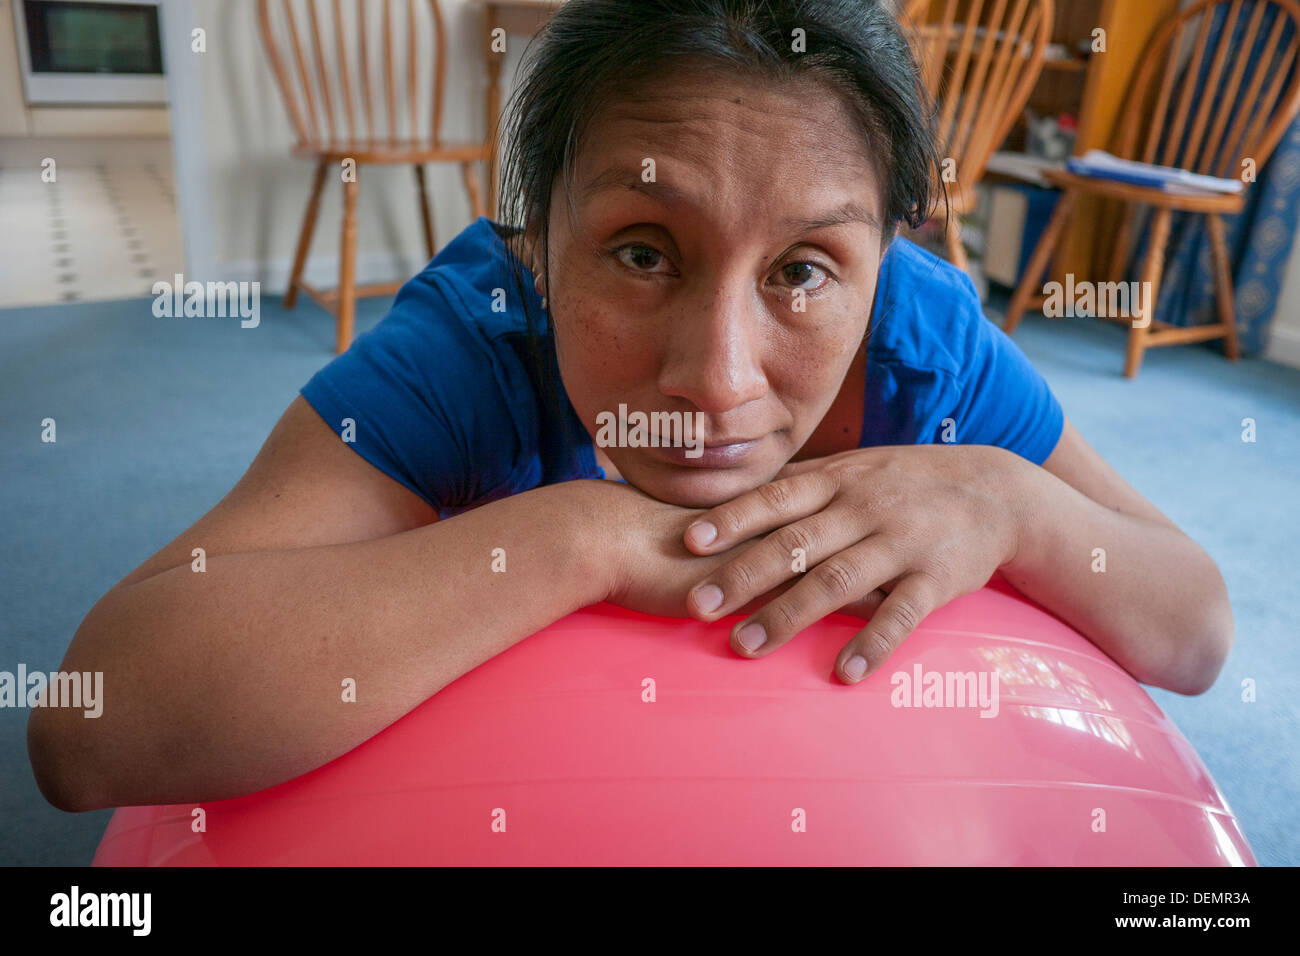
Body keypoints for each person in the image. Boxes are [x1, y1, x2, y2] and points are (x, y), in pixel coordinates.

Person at [29, 0, 1232, 813]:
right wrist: (580, 535)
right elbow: (90, 724)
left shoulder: (925, 347)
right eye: (643, 252)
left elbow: (1193, 625)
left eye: (805, 270)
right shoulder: (480, 339)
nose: (716, 379)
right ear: (537, 241)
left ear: (884, 260)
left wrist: (1011, 500)